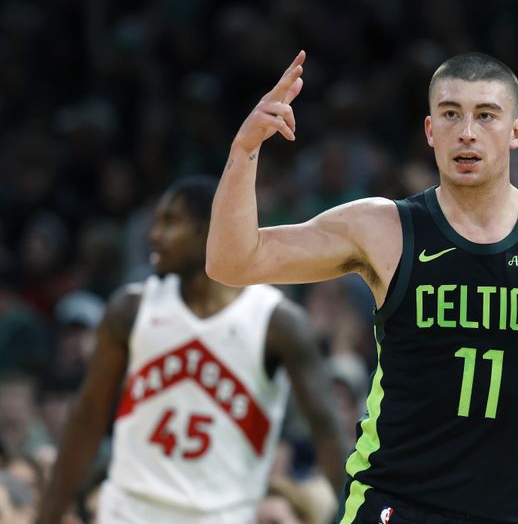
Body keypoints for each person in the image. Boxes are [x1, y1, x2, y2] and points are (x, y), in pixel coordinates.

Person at [207, 50, 518, 524]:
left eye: (486, 115)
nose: (467, 132)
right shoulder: (384, 227)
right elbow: (233, 262)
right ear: (430, 130)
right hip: (395, 502)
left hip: (511, 509)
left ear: (517, 131)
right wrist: (243, 150)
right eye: (450, 114)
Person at [39, 177, 347, 523]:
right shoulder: (132, 309)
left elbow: (327, 431)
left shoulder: (277, 322)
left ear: (209, 231)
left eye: (170, 222)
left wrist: (353, 514)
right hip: (129, 510)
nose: (154, 234)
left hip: (222, 515)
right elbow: (88, 418)